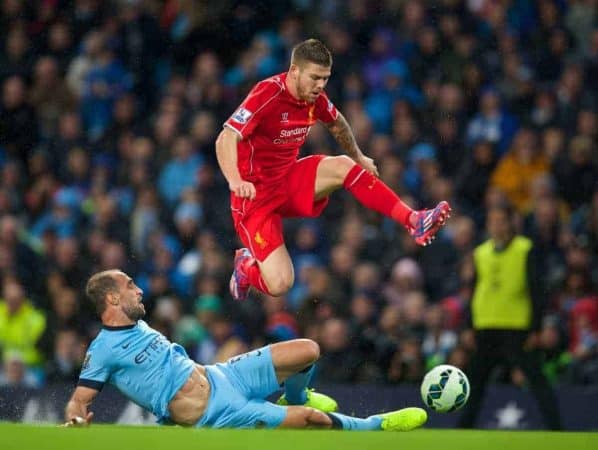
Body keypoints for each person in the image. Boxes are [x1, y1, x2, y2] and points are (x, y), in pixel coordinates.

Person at [215, 39, 451, 301]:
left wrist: (359, 157)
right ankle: (246, 266)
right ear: (294, 71)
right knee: (281, 284)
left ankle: (414, 221)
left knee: (343, 165)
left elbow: (337, 123)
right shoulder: (267, 93)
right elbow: (226, 138)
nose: (320, 85)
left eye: (325, 79)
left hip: (287, 179)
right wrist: (235, 181)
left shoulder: (314, 98)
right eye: (315, 78)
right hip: (253, 198)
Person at [63, 269, 427, 430]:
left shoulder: (139, 324)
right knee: (310, 421)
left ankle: (296, 395)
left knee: (308, 350)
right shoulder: (103, 349)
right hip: (215, 412)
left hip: (221, 375)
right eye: (129, 285)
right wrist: (76, 418)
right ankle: (375, 426)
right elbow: (80, 399)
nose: (138, 289)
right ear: (111, 297)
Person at [457, 204, 561, 430]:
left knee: (536, 379)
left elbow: (537, 290)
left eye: (501, 220)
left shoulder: (525, 249)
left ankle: (556, 427)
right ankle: (463, 428)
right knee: (476, 382)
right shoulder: (480, 252)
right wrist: (468, 325)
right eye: (492, 221)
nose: (496, 225)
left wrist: (536, 328)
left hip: (516, 326)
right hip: (485, 325)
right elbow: (475, 291)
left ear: (511, 223)